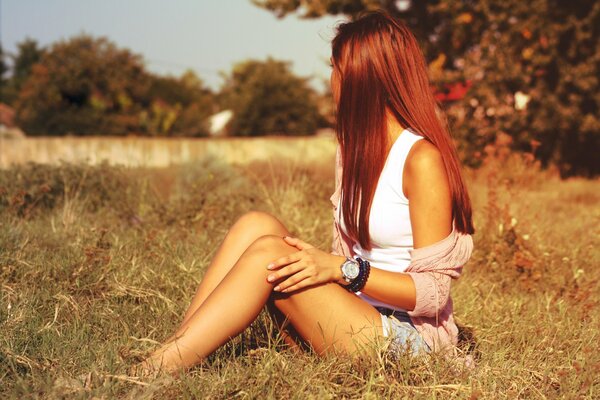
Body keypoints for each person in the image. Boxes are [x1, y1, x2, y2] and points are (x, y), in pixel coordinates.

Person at [138, 10, 474, 375]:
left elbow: (434, 293)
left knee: (269, 252)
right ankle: (173, 354)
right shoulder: (353, 149)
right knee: (256, 224)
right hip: (352, 313)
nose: (331, 81)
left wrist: (343, 271)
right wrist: (336, 277)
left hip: (408, 339)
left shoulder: (421, 159)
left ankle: (150, 374)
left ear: (363, 78)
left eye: (336, 68)